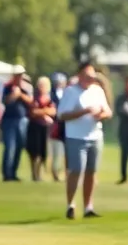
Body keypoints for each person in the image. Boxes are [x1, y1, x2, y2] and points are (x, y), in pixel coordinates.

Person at [57, 61, 112, 219]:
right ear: (80, 75)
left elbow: (108, 111)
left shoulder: (97, 91)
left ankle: (88, 206)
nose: (91, 79)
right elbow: (62, 115)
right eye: (88, 76)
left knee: (91, 172)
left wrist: (100, 115)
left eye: (93, 77)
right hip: (75, 136)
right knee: (75, 170)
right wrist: (83, 112)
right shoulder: (71, 91)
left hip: (95, 135)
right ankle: (71, 204)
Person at [0, 67, 32, 182]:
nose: (19, 77)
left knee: (19, 147)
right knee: (10, 147)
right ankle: (7, 174)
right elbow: (5, 101)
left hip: (22, 120)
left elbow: (31, 102)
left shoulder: (26, 88)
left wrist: (20, 95)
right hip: (9, 120)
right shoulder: (7, 87)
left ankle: (13, 172)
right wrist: (13, 95)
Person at [26, 77, 57, 181]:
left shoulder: (49, 98)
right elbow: (33, 112)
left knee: (43, 152)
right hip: (34, 127)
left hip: (45, 128)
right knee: (34, 151)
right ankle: (34, 174)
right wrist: (45, 112)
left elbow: (53, 111)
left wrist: (41, 112)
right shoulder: (34, 98)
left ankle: (39, 173)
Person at [49, 73, 67, 182]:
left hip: (66, 125)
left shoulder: (66, 94)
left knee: (66, 152)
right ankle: (55, 172)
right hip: (55, 126)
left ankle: (66, 172)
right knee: (56, 151)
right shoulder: (51, 95)